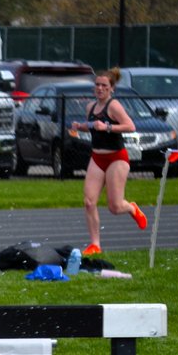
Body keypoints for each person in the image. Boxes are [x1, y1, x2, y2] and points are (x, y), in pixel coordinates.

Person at [70, 67, 146, 255]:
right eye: (97, 85)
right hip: (97, 157)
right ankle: (95, 244)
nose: (100, 88)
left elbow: (130, 126)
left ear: (111, 88)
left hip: (116, 158)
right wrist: (81, 126)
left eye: (104, 85)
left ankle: (131, 207)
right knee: (89, 201)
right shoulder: (90, 107)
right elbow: (94, 127)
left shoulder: (114, 106)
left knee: (115, 206)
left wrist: (108, 127)